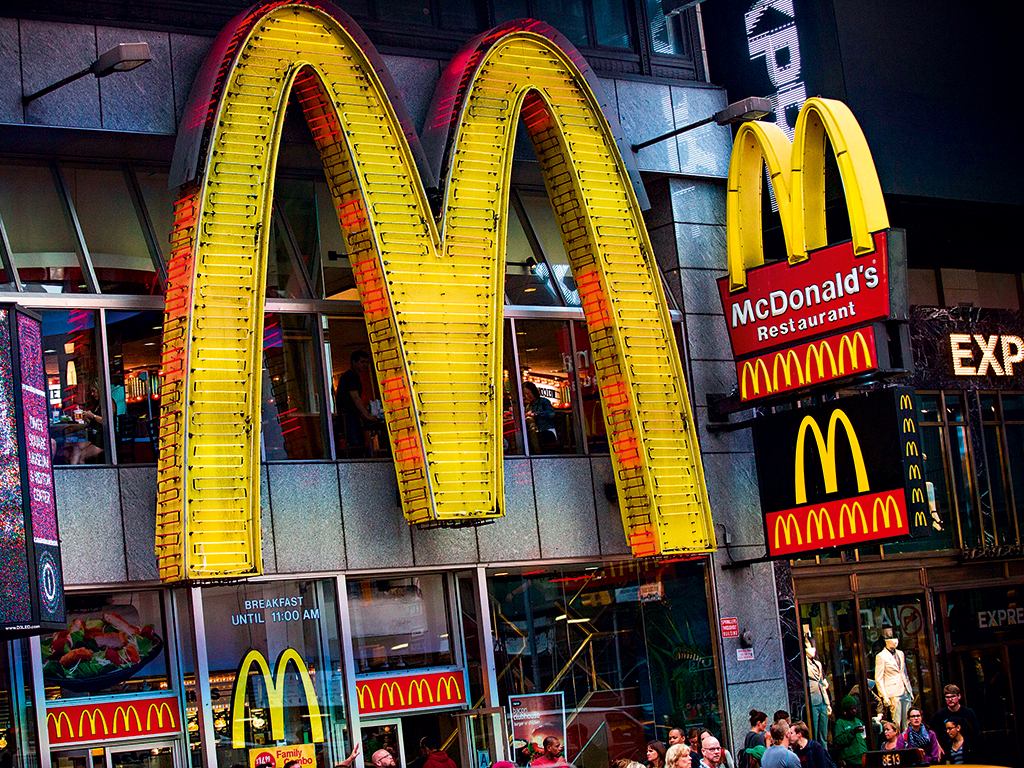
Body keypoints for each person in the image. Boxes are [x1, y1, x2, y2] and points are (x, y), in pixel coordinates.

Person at [335, 350, 378, 457]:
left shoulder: (353, 376)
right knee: (356, 444)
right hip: (348, 416)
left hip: (351, 415)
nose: (365, 365)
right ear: (354, 362)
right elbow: (355, 398)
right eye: (362, 362)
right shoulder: (351, 377)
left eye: (366, 362)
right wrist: (367, 416)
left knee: (358, 443)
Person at [874, 629, 914, 730]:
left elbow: (904, 673)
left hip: (905, 689)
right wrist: (884, 696)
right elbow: (878, 678)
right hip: (893, 691)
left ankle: (907, 741)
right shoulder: (881, 656)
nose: (895, 641)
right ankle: (898, 742)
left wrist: (910, 690)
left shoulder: (900, 654)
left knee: (908, 720)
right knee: (897, 720)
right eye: (892, 639)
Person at [929, 685, 980, 754]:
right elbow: (931, 732)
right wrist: (937, 746)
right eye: (947, 697)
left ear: (959, 696)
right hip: (946, 751)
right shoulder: (940, 715)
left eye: (952, 697)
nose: (950, 699)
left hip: (967, 750)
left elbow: (976, 733)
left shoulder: (968, 713)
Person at [69, 380, 108, 464]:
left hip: (104, 439)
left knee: (81, 455)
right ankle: (72, 472)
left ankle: (79, 473)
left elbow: (107, 421)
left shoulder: (108, 403)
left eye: (94, 391)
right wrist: (87, 419)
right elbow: (93, 423)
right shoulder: (97, 405)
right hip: (95, 437)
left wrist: (93, 416)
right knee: (76, 447)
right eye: (91, 392)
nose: (92, 394)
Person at [804, 638, 831, 745]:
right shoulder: (804, 663)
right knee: (814, 732)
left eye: (814, 648)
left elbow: (822, 684)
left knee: (824, 733)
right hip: (813, 700)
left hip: (822, 699)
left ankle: (825, 754)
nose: (813, 650)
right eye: (811, 648)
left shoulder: (817, 664)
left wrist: (828, 703)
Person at [832, 697, 866, 767]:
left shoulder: (858, 721)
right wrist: (852, 732)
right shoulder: (840, 723)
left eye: (855, 708)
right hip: (851, 760)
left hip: (864, 756)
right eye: (851, 709)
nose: (854, 711)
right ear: (846, 710)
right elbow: (838, 740)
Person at [522, 381, 558, 449]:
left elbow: (551, 413)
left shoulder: (544, 402)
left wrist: (535, 414)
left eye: (528, 393)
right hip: (535, 434)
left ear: (533, 391)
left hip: (547, 432)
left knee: (533, 439)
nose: (527, 396)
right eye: (525, 394)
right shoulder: (528, 406)